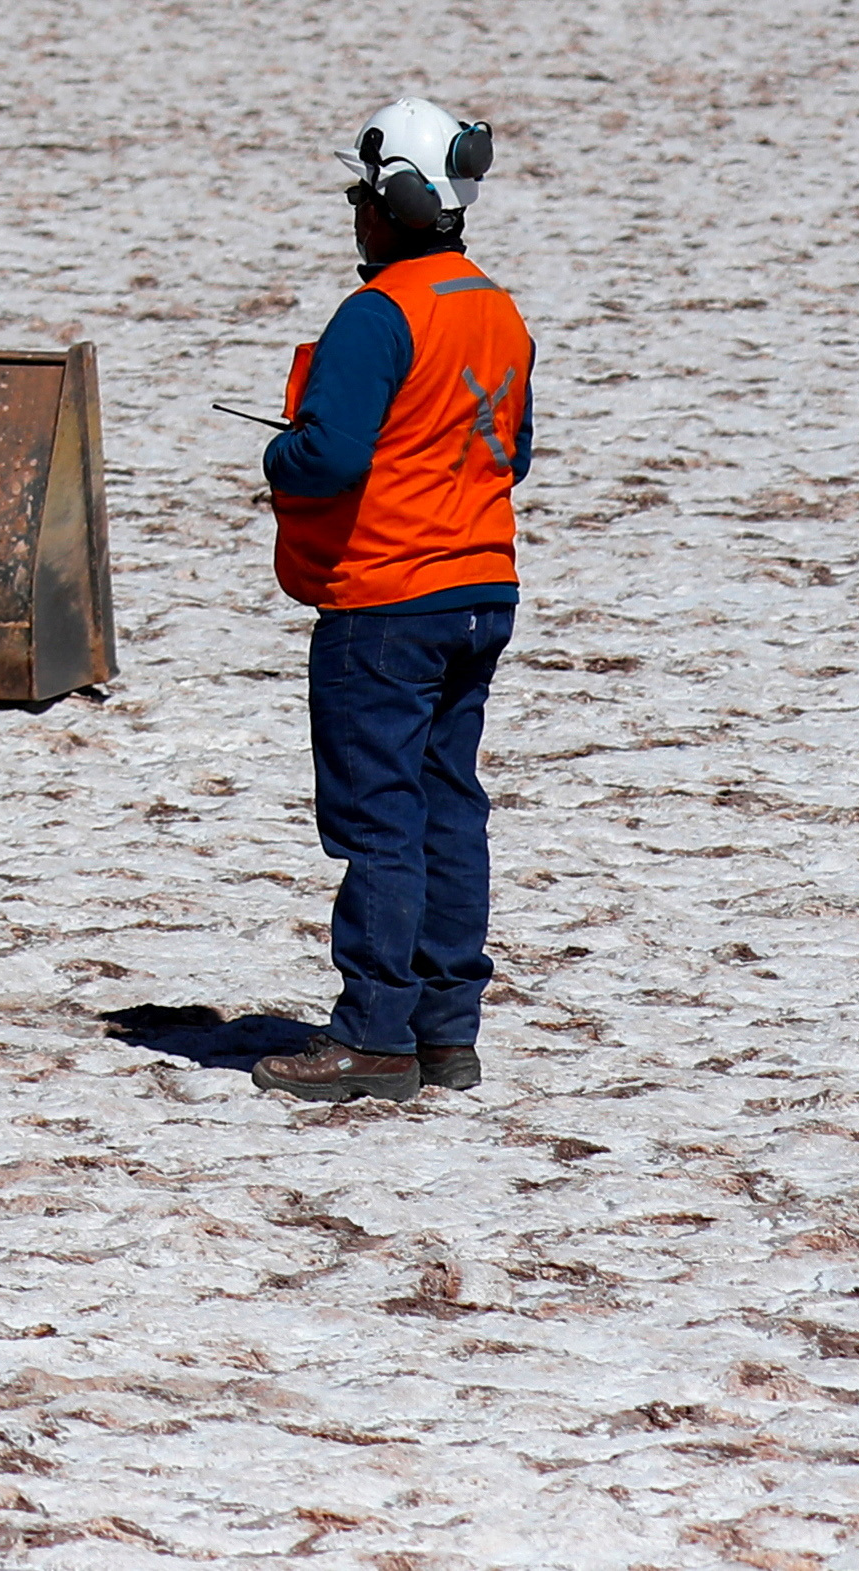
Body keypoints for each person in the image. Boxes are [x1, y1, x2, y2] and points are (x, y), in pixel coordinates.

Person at [248, 98, 533, 1105]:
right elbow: (515, 450)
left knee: (380, 819)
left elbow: (326, 458)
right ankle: (445, 1032)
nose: (353, 215)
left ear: (397, 204)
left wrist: (278, 447)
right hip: (478, 593)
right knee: (448, 805)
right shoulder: (495, 308)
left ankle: (371, 1036)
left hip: (383, 600)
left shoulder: (378, 313)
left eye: (361, 198)